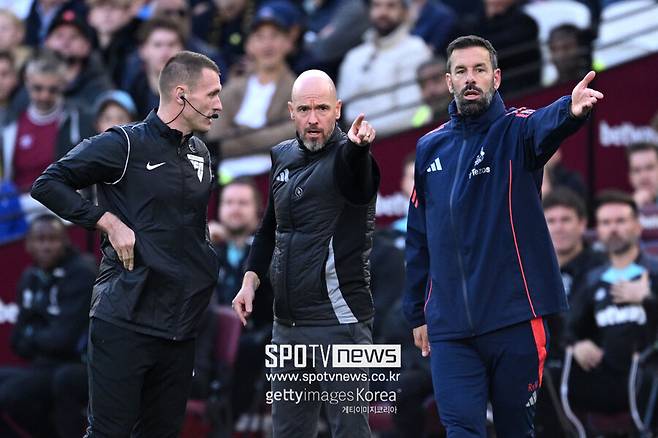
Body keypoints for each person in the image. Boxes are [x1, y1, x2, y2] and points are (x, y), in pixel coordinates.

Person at [403, 35, 603, 437]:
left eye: (479, 70)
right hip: (450, 329)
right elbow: (418, 236)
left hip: (514, 318)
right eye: (461, 71)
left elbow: (544, 124)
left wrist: (570, 110)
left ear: (496, 77)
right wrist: (417, 312)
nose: (470, 79)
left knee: (516, 430)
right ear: (448, 81)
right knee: (461, 429)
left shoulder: (517, 131)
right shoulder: (429, 148)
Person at [31, 50, 223, 437]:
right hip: (125, 316)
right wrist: (107, 222)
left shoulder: (201, 153)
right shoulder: (124, 144)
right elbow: (48, 183)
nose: (219, 105)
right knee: (109, 433)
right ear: (182, 94)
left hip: (180, 324)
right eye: (212, 94)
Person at [232, 69, 380, 438]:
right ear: (290, 111)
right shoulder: (281, 156)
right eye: (304, 109)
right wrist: (249, 281)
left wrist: (360, 149)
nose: (313, 119)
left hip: (340, 325)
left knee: (350, 432)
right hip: (286, 327)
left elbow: (358, 180)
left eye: (322, 108)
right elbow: (268, 229)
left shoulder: (351, 156)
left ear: (338, 109)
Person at [0, 214, 96, 438]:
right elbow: (16, 342)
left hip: (78, 366)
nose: (46, 246)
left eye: (52, 239)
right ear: (28, 244)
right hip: (43, 364)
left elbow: (64, 340)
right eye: (40, 240)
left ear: (65, 242)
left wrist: (32, 334)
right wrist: (40, 336)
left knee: (12, 394)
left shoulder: (82, 273)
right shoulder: (29, 277)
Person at [567, 190, 658, 415]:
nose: (613, 229)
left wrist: (647, 299)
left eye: (620, 221)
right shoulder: (591, 279)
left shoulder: (655, 271)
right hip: (605, 378)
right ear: (598, 230)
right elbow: (567, 327)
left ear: (638, 226)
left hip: (651, 374)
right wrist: (575, 345)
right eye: (606, 223)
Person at [536, 188, 605, 437]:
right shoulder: (530, 268)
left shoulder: (600, 265)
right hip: (542, 357)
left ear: (582, 223)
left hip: (589, 362)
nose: (558, 227)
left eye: (566, 220)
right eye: (551, 221)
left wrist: (572, 345)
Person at [206, 4, 296, 159]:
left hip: (272, 172)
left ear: (288, 43)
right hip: (227, 172)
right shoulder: (232, 87)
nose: (267, 44)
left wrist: (237, 134)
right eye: (260, 37)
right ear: (249, 45)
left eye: (274, 36)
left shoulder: (296, 89)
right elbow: (215, 136)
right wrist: (262, 138)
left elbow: (293, 133)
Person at [337, 0, 431, 137]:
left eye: (391, 6)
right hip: (358, 144)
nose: (382, 12)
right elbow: (344, 108)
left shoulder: (416, 48)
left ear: (404, 12)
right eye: (377, 5)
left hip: (403, 138)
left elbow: (415, 112)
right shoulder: (353, 57)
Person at [627, 142, 658, 208]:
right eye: (637, 170)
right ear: (630, 177)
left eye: (650, 167)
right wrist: (633, 206)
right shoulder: (624, 210)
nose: (644, 176)